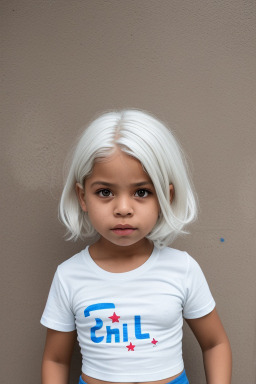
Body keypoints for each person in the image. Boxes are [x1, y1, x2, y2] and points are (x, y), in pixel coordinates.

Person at [41, 109, 232, 384]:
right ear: (83, 197)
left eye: (142, 192)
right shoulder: (68, 276)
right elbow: (55, 359)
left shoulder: (182, 268)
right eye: (105, 192)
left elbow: (215, 344)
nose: (123, 209)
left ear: (165, 197)